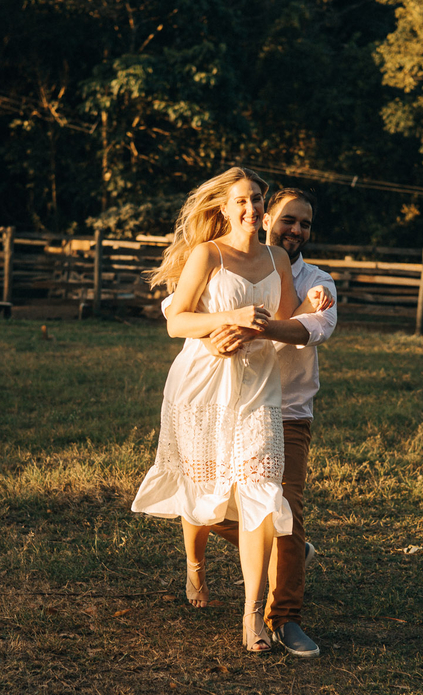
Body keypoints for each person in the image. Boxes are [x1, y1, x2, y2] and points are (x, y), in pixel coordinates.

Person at [131, 167, 326, 652]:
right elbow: (176, 321)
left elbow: (283, 318)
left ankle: (251, 617)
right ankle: (195, 570)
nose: (251, 207)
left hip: (260, 388)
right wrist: (226, 319)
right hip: (203, 384)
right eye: (241, 200)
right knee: (205, 483)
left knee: (260, 492)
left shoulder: (278, 256)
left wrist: (311, 303)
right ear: (223, 207)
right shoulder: (207, 254)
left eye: (257, 199)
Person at [200, 188, 336, 658]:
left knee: (286, 508)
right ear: (264, 218)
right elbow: (179, 307)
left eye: (305, 224)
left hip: (288, 411)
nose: (296, 230)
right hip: (231, 404)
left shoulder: (318, 281)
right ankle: (291, 551)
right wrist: (214, 332)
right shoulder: (231, 260)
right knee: (211, 505)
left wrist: (251, 324)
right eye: (287, 220)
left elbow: (311, 329)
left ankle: (285, 618)